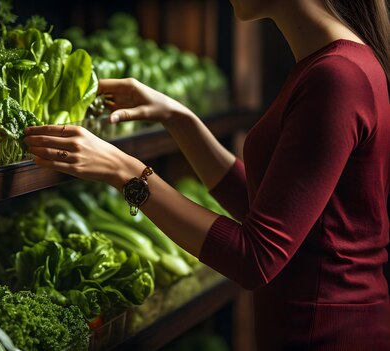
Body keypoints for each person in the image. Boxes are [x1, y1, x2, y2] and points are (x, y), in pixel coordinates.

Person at [24, 0, 390, 350]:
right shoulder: (338, 64)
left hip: (327, 337)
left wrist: (126, 171)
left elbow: (255, 258)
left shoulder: (336, 77)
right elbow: (268, 208)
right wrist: (180, 120)